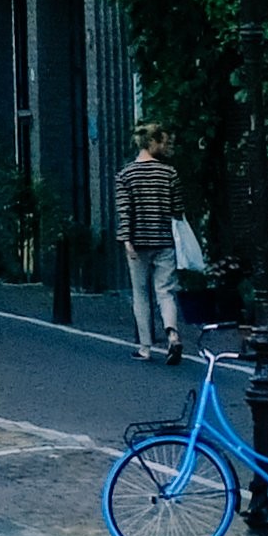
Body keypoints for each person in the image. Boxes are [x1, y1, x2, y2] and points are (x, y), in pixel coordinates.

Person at [114, 126, 189, 360]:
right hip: (164, 240)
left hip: (138, 242)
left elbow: (125, 211)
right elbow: (178, 209)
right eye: (163, 142)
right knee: (165, 291)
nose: (166, 147)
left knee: (140, 294)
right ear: (153, 143)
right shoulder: (169, 173)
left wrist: (127, 240)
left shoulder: (125, 175)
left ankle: (145, 347)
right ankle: (172, 335)